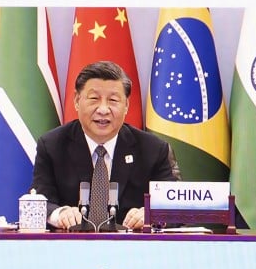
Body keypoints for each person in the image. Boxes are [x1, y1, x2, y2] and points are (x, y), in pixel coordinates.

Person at [30, 60, 178, 230]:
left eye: (113, 100)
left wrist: (154, 215)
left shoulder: (153, 149)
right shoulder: (52, 146)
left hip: (131, 245)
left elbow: (175, 208)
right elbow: (40, 201)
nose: (103, 110)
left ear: (126, 105)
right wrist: (60, 214)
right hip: (71, 244)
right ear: (77, 100)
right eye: (94, 99)